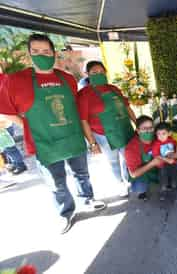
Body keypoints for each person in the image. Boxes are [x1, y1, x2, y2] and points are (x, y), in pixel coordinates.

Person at [0, 34, 106, 234]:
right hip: (45, 143)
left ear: (53, 53)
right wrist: (25, 124)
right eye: (36, 51)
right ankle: (65, 213)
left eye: (46, 51)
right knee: (56, 182)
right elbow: (4, 108)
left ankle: (87, 199)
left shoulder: (66, 78)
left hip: (72, 136)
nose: (42, 55)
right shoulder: (16, 80)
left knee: (82, 173)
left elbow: (76, 107)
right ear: (30, 54)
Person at [77, 60, 136, 197]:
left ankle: (129, 180)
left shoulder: (114, 89)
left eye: (102, 72)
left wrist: (137, 124)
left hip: (124, 129)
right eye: (95, 72)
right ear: (87, 74)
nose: (99, 74)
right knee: (113, 161)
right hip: (103, 135)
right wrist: (92, 143)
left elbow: (127, 108)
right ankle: (120, 183)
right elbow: (83, 121)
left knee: (128, 157)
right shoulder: (84, 94)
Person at [125, 115, 163, 201]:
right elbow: (133, 174)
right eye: (144, 128)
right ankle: (142, 190)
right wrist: (152, 163)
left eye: (150, 128)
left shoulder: (158, 137)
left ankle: (165, 182)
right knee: (140, 189)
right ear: (138, 131)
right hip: (140, 172)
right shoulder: (131, 148)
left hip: (156, 168)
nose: (148, 131)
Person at [152, 122, 177, 201]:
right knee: (163, 181)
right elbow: (156, 155)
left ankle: (175, 193)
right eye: (158, 134)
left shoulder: (171, 140)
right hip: (162, 165)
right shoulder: (156, 144)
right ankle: (163, 193)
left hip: (172, 163)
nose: (161, 136)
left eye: (163, 133)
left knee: (174, 180)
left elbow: (176, 144)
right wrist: (167, 159)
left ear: (169, 133)